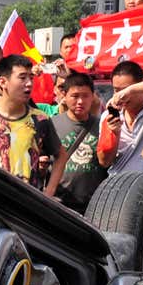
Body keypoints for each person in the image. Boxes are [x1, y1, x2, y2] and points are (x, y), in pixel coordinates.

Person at [0, 55, 66, 195]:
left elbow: (60, 155)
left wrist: (49, 191)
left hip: (28, 206)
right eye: (22, 77)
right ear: (3, 82)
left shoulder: (40, 119)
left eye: (31, 77)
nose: (29, 83)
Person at [50, 71, 111, 213]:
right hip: (59, 202)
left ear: (93, 97)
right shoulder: (52, 124)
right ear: (64, 96)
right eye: (75, 96)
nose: (80, 101)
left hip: (94, 205)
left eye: (85, 96)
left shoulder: (102, 125)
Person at [101, 60, 143, 175]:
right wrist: (114, 135)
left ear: (141, 85)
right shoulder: (108, 116)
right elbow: (104, 161)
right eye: (117, 90)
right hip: (120, 187)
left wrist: (131, 90)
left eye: (126, 89)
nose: (121, 95)